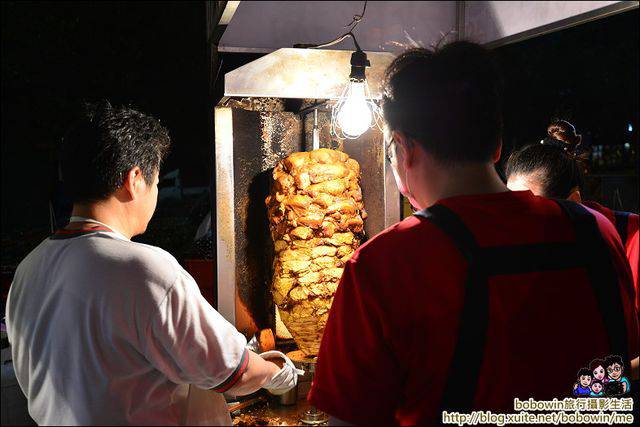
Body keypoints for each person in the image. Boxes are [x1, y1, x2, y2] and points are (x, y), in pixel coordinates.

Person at [307, 41, 638, 425]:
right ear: (497, 146)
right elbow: (618, 370)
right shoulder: (595, 231)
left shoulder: (383, 265)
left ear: (403, 148)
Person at [5, 102, 302, 426]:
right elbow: (233, 372)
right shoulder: (143, 270)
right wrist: (278, 373)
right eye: (157, 181)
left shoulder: (28, 270)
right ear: (134, 179)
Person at [504, 125, 639, 312]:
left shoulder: (632, 237)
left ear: (574, 202)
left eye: (533, 211)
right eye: (513, 208)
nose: (520, 223)